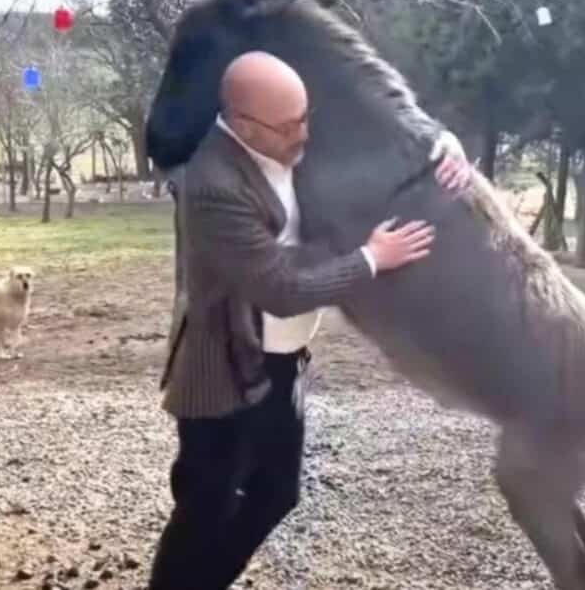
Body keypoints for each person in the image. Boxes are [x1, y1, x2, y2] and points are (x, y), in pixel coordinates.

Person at [149, 50, 473, 589]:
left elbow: (382, 122)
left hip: (284, 364)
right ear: (244, 124)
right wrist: (373, 258)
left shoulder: (284, 134)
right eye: (290, 125)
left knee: (277, 493)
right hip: (224, 367)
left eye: (306, 118)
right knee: (205, 506)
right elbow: (280, 288)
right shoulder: (213, 184)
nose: (305, 134)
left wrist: (444, 142)